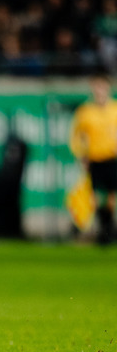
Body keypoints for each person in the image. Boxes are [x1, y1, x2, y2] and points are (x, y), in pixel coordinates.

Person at [69, 72, 117, 244]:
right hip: (95, 158)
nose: (100, 91)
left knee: (111, 197)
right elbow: (76, 136)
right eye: (97, 87)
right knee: (95, 196)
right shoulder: (86, 112)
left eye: (103, 87)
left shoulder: (114, 110)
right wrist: (81, 155)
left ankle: (109, 227)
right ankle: (102, 229)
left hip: (112, 158)